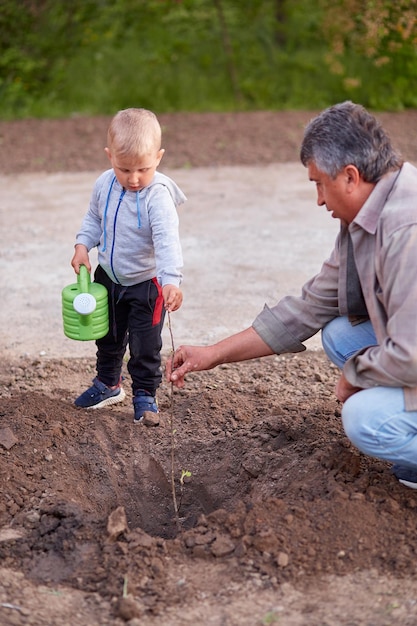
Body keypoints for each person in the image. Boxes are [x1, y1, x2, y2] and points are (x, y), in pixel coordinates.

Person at [167, 100, 417, 490]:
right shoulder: (366, 216)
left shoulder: (406, 231)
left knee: (365, 418)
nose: (318, 199)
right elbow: (306, 310)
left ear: (350, 176)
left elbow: (411, 353)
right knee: (339, 334)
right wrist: (212, 354)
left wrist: (356, 377)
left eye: (320, 183)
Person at [72, 107, 186, 423]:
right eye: (124, 170)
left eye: (143, 169)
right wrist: (83, 245)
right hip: (107, 276)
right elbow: (94, 218)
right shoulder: (104, 185)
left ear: (159, 157)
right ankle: (108, 383)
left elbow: (166, 242)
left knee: (145, 345)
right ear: (110, 157)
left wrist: (171, 280)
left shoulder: (157, 197)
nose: (134, 179)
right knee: (107, 335)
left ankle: (145, 396)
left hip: (147, 284)